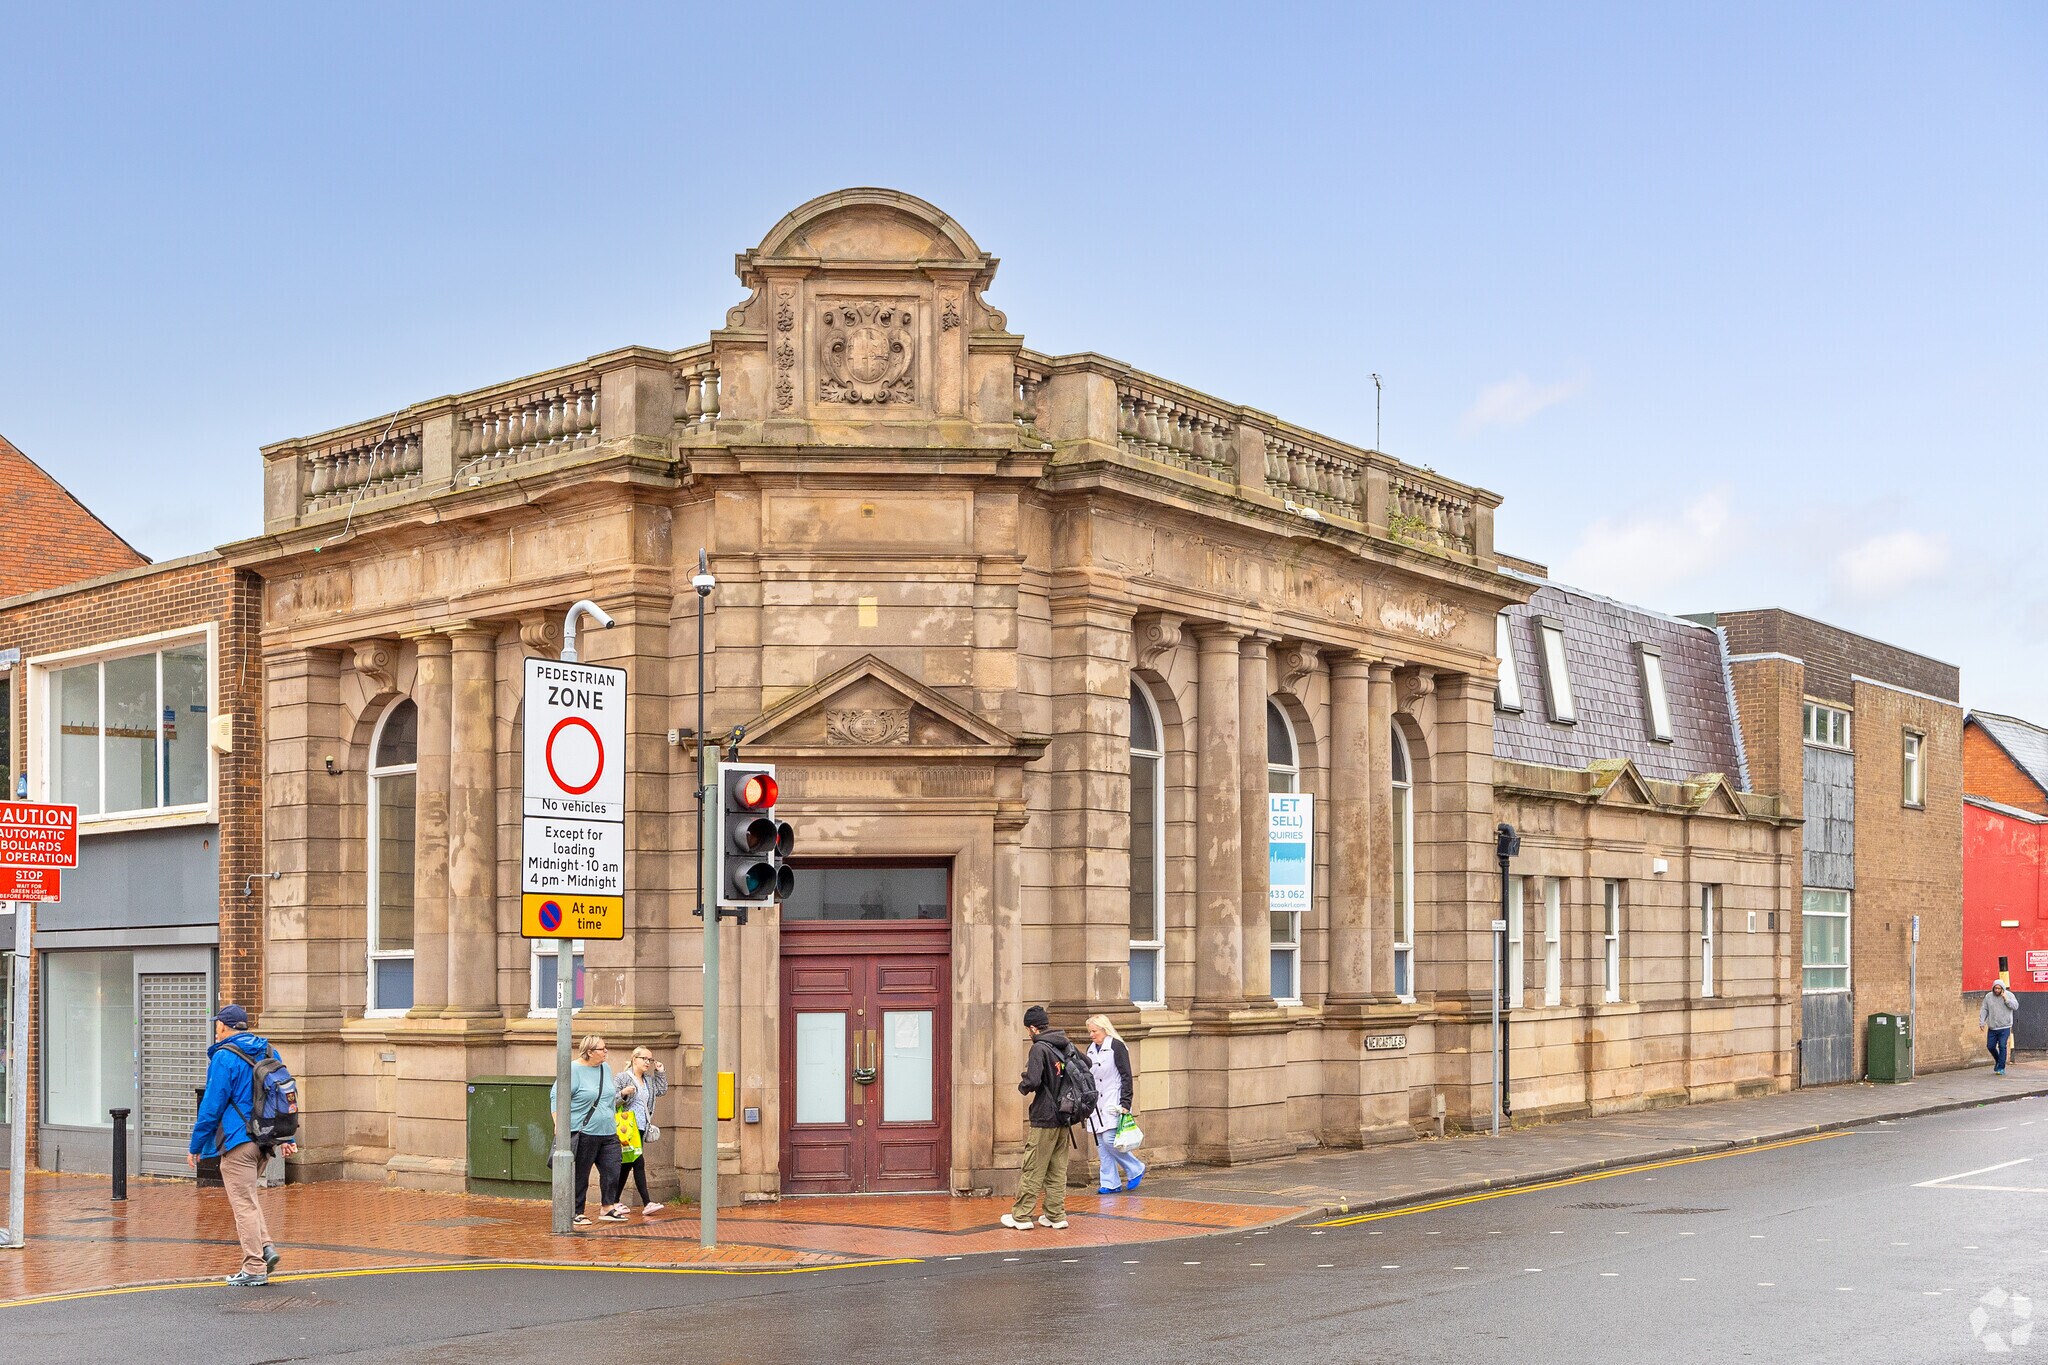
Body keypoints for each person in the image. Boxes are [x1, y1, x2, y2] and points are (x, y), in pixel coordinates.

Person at [187, 1004, 296, 1287]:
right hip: (265, 1142)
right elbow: (283, 1098)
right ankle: (266, 1249)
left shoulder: (224, 1057)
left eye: (217, 1025)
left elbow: (212, 1106)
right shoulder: (269, 1051)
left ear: (224, 1026)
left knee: (243, 1205)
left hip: (239, 1143)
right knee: (250, 1200)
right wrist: (288, 1138)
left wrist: (196, 1144)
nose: (215, 1029)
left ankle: (254, 1267)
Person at [1001, 1005, 1074, 1231]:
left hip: (1044, 1116)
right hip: (1066, 1116)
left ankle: (1022, 1216)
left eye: (1027, 1029)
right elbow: (1086, 1066)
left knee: (1034, 1167)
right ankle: (1055, 1215)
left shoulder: (1039, 1049)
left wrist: (1023, 1085)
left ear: (1033, 1028)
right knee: (1057, 1168)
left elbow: (1032, 1081)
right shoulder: (1065, 1044)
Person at [551, 1034, 628, 1225]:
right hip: (584, 1131)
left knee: (613, 1168)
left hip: (608, 1130)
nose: (606, 1051)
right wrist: (558, 1124)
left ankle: (607, 1207)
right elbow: (556, 1097)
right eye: (602, 1049)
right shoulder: (573, 1069)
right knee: (581, 1173)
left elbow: (608, 1097)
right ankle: (577, 1211)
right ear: (589, 1052)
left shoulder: (605, 1068)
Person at [1083, 1014, 1145, 1194]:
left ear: (1104, 1029)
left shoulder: (1117, 1047)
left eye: (1094, 1031)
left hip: (1114, 1100)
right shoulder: (1091, 1049)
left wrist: (1126, 1101)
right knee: (1101, 1145)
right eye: (1090, 1032)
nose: (1091, 1035)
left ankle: (1136, 1168)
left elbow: (1126, 1076)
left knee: (1110, 1140)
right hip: (1097, 1103)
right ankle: (1110, 1182)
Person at [615, 1045, 669, 1216]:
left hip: (640, 1128)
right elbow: (610, 1099)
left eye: (650, 1059)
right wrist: (623, 1093)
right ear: (634, 1059)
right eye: (644, 1058)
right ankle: (647, 1202)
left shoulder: (648, 1080)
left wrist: (660, 1072)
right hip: (626, 1127)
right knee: (638, 1162)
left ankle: (613, 1201)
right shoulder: (623, 1077)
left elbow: (661, 1090)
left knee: (627, 1164)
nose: (648, 1062)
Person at [1982, 980, 2020, 1075]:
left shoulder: (2009, 995)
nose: (1997, 990)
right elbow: (1984, 1009)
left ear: (2002, 989)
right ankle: (1998, 1060)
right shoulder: (1988, 997)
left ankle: (2001, 1067)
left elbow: (2015, 1006)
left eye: (1999, 988)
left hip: (2005, 1026)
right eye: (1995, 988)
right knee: (1990, 1046)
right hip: (1993, 1027)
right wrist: (1982, 1022)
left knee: (2002, 1046)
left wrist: (2006, 1000)